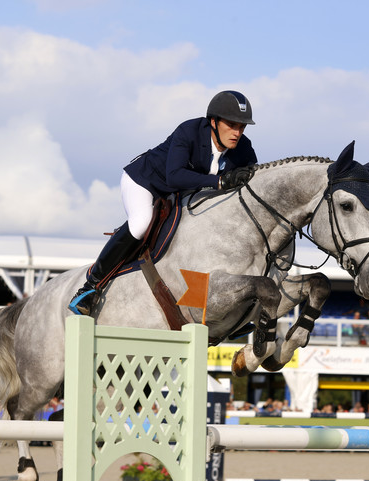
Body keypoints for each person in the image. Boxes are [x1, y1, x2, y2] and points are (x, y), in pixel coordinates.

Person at [69, 91, 258, 315]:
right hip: (146, 181)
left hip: (181, 195)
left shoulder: (243, 147)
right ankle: (90, 287)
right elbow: (175, 176)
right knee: (141, 222)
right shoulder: (189, 132)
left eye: (242, 126)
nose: (237, 132)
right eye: (232, 125)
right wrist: (220, 181)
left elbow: (253, 178)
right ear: (214, 122)